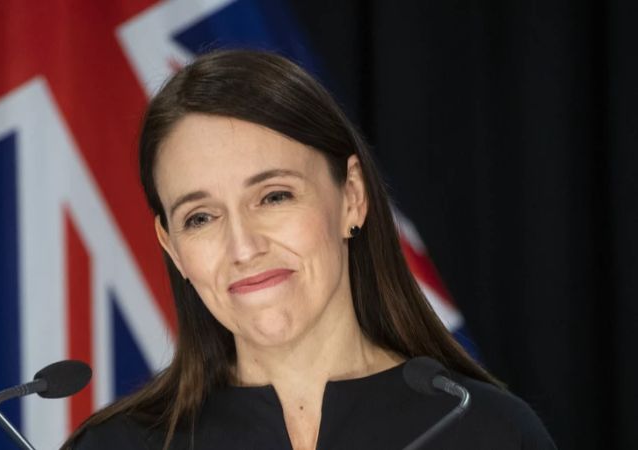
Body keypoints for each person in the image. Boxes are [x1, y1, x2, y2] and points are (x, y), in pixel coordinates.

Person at [64, 49, 556, 450]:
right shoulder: (115, 446)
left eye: (274, 196)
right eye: (201, 218)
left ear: (352, 198)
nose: (243, 246)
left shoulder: (485, 432)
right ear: (172, 249)